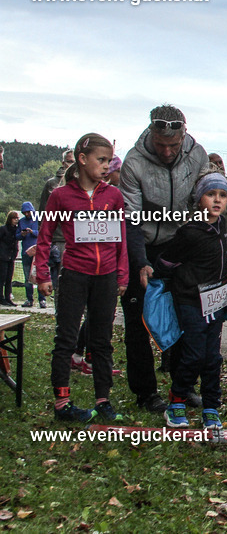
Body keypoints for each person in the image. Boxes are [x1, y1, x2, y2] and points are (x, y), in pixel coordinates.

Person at [120, 105, 209, 414]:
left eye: (174, 145)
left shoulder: (197, 155)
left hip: (181, 245)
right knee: (138, 320)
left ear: (184, 133)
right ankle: (145, 392)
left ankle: (181, 387)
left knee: (186, 316)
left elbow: (205, 203)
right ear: (151, 134)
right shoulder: (133, 162)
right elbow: (130, 220)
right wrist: (141, 261)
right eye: (161, 145)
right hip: (143, 244)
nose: (168, 151)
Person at [35, 134, 128, 423]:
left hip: (107, 277)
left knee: (101, 340)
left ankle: (103, 400)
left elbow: (122, 239)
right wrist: (41, 274)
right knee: (66, 338)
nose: (106, 165)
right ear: (82, 159)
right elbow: (45, 236)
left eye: (109, 160)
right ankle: (63, 403)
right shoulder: (60, 196)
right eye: (101, 160)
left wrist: (121, 275)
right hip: (74, 274)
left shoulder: (113, 196)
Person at [155, 170, 227, 430]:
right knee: (192, 354)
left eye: (222, 195)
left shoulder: (220, 227)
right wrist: (175, 279)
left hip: (215, 303)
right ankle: (177, 401)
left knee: (212, 357)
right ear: (199, 199)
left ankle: (211, 407)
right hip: (191, 302)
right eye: (211, 194)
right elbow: (165, 262)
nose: (217, 200)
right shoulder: (189, 232)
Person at [18, 202, 40, 307]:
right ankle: (29, 299)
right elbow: (17, 235)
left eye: (28, 212)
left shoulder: (38, 219)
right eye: (25, 212)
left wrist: (33, 232)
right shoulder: (21, 222)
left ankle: (42, 299)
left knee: (38, 275)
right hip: (26, 252)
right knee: (27, 276)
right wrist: (21, 234)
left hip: (37, 251)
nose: (27, 214)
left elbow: (43, 232)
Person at [0, 212, 18, 306]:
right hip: (3, 257)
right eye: (14, 218)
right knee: (2, 277)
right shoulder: (3, 229)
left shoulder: (16, 230)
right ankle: (1, 297)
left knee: (9, 278)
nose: (16, 220)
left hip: (11, 257)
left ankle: (8, 297)